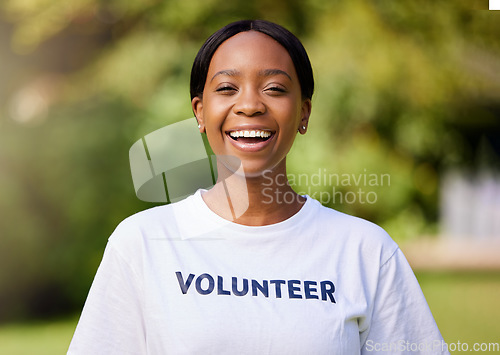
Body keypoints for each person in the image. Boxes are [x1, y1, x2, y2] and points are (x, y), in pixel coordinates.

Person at [68, 20, 448, 354]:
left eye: (275, 89)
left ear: (304, 112)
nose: (249, 105)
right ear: (200, 112)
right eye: (228, 88)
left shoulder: (365, 251)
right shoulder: (143, 243)